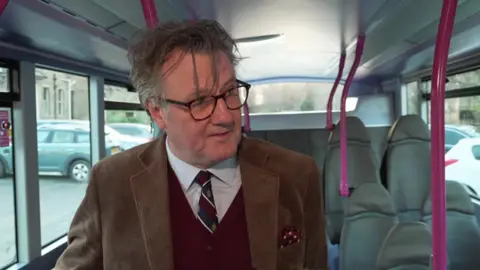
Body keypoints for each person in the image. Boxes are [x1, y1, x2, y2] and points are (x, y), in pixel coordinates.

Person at [55, 19, 328, 270]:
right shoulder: (112, 183)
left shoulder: (297, 175)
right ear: (158, 112)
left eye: (230, 92)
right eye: (200, 102)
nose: (225, 116)